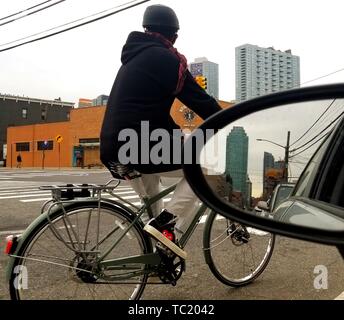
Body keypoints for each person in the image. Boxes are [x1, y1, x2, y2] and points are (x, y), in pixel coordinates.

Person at [100, 4, 222, 259]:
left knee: (152, 193)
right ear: (174, 35)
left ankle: (160, 253)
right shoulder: (168, 60)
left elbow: (149, 111)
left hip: (112, 147)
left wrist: (176, 135)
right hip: (138, 143)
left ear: (146, 29)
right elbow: (201, 102)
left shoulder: (134, 58)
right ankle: (167, 226)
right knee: (203, 173)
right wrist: (225, 117)